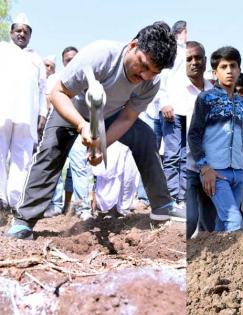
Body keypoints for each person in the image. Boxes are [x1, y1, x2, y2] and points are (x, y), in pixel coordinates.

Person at [6, 22, 185, 240]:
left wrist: (101, 144)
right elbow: (57, 93)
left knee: (145, 136)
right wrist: (81, 126)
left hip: (109, 116)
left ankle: (161, 206)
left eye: (153, 72)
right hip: (71, 108)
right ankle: (24, 221)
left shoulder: (151, 83)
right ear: (133, 45)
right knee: (51, 150)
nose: (145, 76)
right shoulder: (101, 55)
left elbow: (128, 117)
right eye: (143, 65)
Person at [188, 46, 243, 232]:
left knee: (222, 224)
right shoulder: (206, 99)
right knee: (234, 221)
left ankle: (215, 260)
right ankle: (236, 262)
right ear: (215, 72)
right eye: (223, 67)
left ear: (239, 69)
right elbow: (194, 135)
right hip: (216, 172)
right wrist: (204, 168)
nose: (229, 71)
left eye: (233, 66)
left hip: (238, 172)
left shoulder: (242, 104)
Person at [0, 13, 47, 212]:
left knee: (23, 156)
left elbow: (43, 88)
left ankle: (15, 200)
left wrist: (43, 113)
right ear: (11, 32)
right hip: (3, 109)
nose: (21, 34)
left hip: (27, 113)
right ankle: (0, 198)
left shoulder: (36, 58)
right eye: (18, 30)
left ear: (30, 36)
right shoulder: (2, 50)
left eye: (25, 32)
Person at [44, 46, 93, 220]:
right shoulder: (56, 79)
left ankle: (83, 208)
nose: (71, 62)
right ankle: (55, 205)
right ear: (63, 62)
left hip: (80, 128)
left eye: (74, 58)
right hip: (59, 128)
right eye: (67, 60)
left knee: (80, 166)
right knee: (55, 166)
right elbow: (51, 102)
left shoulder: (86, 79)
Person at [184, 41, 216, 239]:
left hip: (211, 167)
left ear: (205, 61)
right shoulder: (176, 91)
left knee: (211, 223)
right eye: (189, 59)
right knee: (189, 219)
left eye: (198, 58)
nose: (194, 62)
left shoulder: (216, 93)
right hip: (186, 166)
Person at [158, 20, 188, 208]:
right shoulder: (172, 51)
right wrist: (164, 101)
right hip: (172, 109)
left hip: (188, 109)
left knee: (186, 155)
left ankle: (183, 198)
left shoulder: (189, 53)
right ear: (183, 32)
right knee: (172, 155)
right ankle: (171, 197)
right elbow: (161, 77)